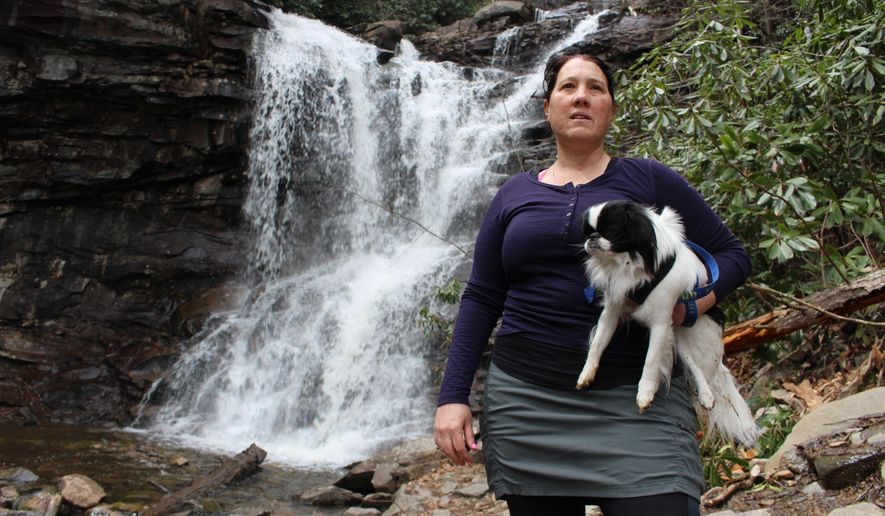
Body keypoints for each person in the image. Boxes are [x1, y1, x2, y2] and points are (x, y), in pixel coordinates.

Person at [432, 48, 751, 516]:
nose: (581, 97)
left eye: (595, 88)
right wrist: (452, 397)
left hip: (637, 398)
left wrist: (688, 309)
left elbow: (733, 255)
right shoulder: (513, 194)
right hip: (527, 402)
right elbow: (482, 295)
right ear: (547, 106)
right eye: (568, 87)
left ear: (611, 108)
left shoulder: (648, 178)